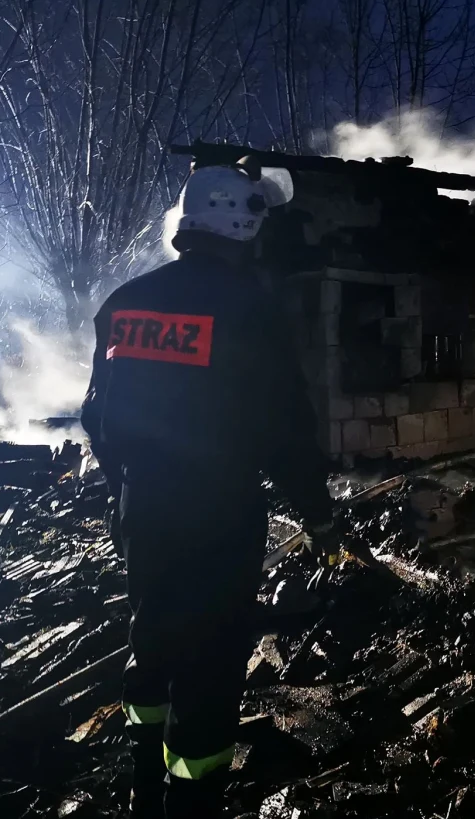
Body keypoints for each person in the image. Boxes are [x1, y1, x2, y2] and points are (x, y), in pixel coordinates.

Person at [81, 159, 339, 819]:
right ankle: (191, 800)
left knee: (152, 640)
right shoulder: (251, 307)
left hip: (144, 506)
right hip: (221, 514)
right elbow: (286, 428)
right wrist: (320, 514)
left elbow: (96, 418)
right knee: (211, 665)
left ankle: (144, 781)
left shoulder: (124, 303)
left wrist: (124, 489)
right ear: (239, 220)